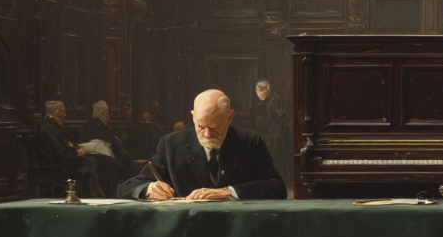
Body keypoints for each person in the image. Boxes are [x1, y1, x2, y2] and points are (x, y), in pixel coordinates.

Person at [117, 88, 286, 201]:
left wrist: (229, 192)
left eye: (215, 127)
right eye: (201, 126)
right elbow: (127, 187)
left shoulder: (250, 142)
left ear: (230, 118)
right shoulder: (171, 144)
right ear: (193, 116)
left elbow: (278, 187)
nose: (207, 134)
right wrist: (149, 188)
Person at [35, 100, 106, 197]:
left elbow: (62, 146)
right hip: (53, 166)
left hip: (57, 162)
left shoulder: (53, 126)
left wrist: (74, 149)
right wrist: (76, 153)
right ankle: (93, 195)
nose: (64, 115)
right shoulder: (47, 128)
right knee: (89, 161)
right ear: (54, 113)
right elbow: (60, 151)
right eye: (62, 112)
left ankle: (94, 194)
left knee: (91, 160)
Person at [252, 78, 292, 186]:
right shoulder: (259, 103)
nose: (260, 92)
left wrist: (273, 133)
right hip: (262, 135)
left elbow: (280, 119)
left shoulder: (274, 100)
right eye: (258, 90)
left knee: (275, 159)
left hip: (273, 136)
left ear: (268, 89)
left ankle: (281, 182)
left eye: (263, 89)